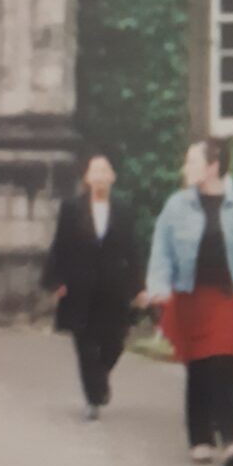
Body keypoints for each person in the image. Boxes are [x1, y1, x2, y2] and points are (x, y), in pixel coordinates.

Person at [146, 137, 233, 466]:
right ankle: (200, 437)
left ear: (213, 165)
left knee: (225, 365)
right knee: (200, 368)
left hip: (230, 298)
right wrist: (158, 288)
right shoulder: (176, 206)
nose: (185, 167)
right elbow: (161, 253)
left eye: (192, 161)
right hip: (190, 298)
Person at [42, 151, 145, 419]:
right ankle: (93, 396)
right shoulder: (72, 209)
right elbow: (59, 246)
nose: (99, 177)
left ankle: (100, 377)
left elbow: (132, 251)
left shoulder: (123, 210)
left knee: (114, 340)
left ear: (112, 177)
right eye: (94, 171)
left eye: (104, 171)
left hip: (113, 288)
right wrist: (55, 281)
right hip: (80, 287)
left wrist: (139, 287)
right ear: (87, 178)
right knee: (85, 343)